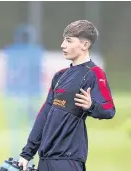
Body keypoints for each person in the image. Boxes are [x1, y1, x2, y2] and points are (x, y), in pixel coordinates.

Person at [18, 20, 116, 171]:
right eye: (64, 40)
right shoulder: (60, 76)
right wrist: (27, 153)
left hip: (68, 160)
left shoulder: (94, 73)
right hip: (45, 158)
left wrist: (91, 106)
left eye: (69, 41)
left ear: (85, 45)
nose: (63, 45)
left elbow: (109, 110)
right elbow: (44, 115)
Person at [3, 24, 44, 158]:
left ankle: (16, 157)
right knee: (32, 128)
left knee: (15, 131)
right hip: (32, 95)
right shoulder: (37, 51)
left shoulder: (11, 51)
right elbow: (38, 74)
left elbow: (10, 74)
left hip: (15, 95)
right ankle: (30, 157)